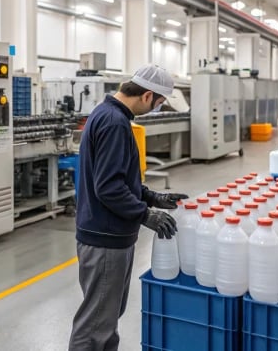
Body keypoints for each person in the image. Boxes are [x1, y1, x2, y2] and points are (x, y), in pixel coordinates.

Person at [68, 64, 187, 351]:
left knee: (106, 319)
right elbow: (108, 188)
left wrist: (152, 197)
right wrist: (146, 214)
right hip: (106, 238)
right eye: (159, 103)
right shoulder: (114, 123)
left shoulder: (107, 114)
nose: (158, 108)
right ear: (147, 96)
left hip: (108, 234)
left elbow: (119, 178)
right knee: (96, 324)